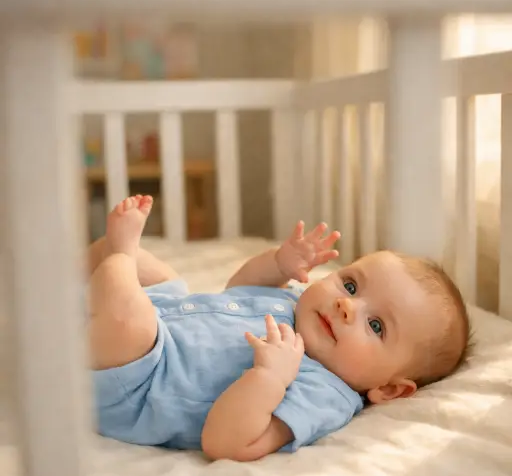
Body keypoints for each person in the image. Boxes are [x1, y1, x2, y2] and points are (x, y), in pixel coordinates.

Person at [88, 195, 471, 462]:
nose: (346, 306)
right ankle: (50, 288)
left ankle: (118, 259)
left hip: (139, 383)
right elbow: (238, 289)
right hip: (166, 317)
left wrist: (269, 378)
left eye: (375, 325)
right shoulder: (301, 304)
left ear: (388, 388)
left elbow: (226, 443)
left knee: (126, 302)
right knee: (148, 269)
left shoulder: (325, 392)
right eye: (351, 285)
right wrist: (278, 263)